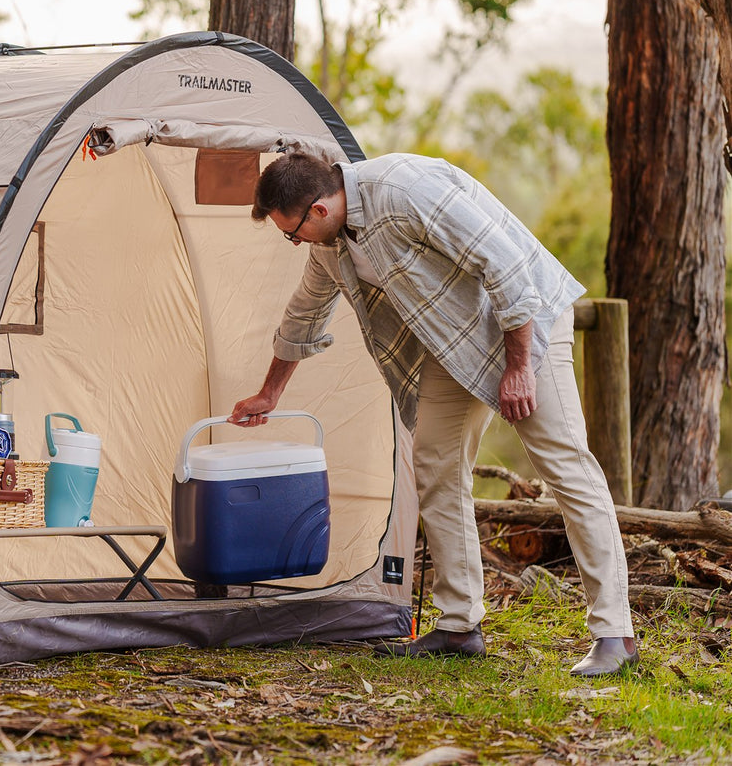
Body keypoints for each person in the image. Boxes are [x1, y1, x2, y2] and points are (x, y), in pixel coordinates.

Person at [231, 151, 637, 677]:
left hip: (525, 322)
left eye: (293, 233)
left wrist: (518, 369)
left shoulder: (403, 191)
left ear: (318, 209)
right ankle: (459, 624)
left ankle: (615, 633)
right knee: (435, 464)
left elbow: (507, 263)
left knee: (564, 466)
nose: (296, 243)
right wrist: (269, 394)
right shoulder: (333, 245)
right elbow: (304, 314)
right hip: (457, 340)